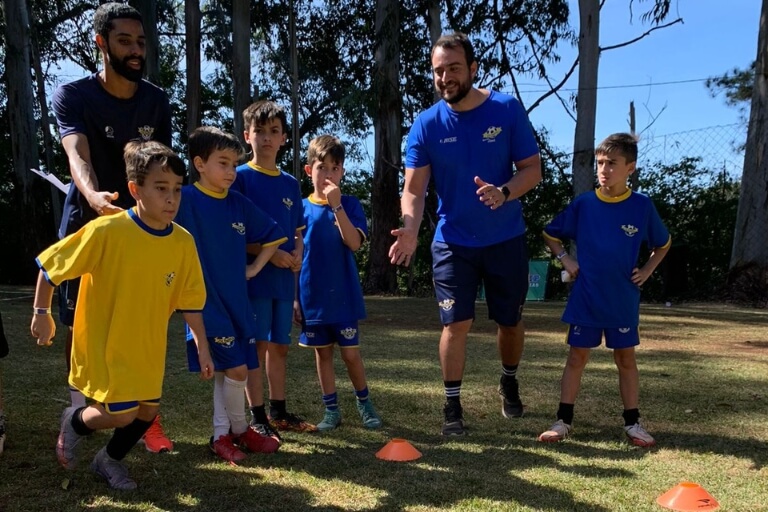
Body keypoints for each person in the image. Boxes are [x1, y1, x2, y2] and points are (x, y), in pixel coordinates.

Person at [30, 141, 213, 490]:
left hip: (147, 346)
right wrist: (42, 312)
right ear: (135, 189)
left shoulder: (183, 242)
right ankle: (76, 421)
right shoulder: (106, 231)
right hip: (106, 343)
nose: (171, 198)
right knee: (123, 412)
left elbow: (191, 300)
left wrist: (202, 346)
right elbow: (51, 266)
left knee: (146, 412)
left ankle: (108, 460)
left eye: (176, 189)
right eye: (161, 189)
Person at [388, 32, 542, 436]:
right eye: (438, 71)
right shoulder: (425, 124)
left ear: (473, 69)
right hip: (452, 241)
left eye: (454, 68)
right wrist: (409, 229)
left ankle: (508, 378)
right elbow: (414, 190)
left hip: (505, 238)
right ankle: (452, 407)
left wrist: (504, 192)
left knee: (509, 322)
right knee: (455, 324)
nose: (445, 77)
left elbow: (532, 170)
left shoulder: (506, 109)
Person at [51, 2, 174, 452]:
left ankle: (140, 409)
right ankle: (79, 407)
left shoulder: (156, 100)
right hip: (90, 222)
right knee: (78, 324)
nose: (136, 50)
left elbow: (161, 165)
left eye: (140, 42)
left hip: (140, 231)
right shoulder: (74, 96)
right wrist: (93, 196)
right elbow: (76, 153)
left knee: (137, 318)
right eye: (124, 41)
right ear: (102, 43)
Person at [538, 133, 671, 447]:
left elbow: (663, 244)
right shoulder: (585, 204)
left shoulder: (641, 206)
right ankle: (563, 421)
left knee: (625, 359)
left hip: (622, 299)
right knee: (576, 358)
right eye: (600, 163)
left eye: (612, 163)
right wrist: (564, 258)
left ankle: (632, 423)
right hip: (586, 297)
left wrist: (648, 270)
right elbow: (549, 233)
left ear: (630, 168)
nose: (604, 169)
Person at [174, 127, 284, 462]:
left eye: (234, 164)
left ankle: (225, 435)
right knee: (236, 370)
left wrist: (253, 268)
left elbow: (274, 235)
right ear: (199, 164)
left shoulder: (238, 203)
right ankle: (236, 430)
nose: (231, 171)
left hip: (239, 302)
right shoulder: (185, 200)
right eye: (223, 163)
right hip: (204, 304)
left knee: (230, 371)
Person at [231, 101, 317, 437]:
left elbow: (297, 233)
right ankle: (257, 417)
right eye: (260, 131)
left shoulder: (290, 184)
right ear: (247, 136)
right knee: (257, 346)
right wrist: (270, 255)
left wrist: (295, 254)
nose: (267, 138)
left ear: (284, 138)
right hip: (255, 277)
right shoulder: (239, 179)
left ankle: (279, 412)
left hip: (283, 280)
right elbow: (233, 235)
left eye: (274, 132)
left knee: (280, 345)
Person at [295, 135, 382, 432]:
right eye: (322, 168)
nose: (328, 175)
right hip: (312, 297)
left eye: (335, 168)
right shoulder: (300, 209)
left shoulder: (350, 205)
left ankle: (364, 403)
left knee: (350, 353)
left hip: (343, 296)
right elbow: (296, 254)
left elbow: (355, 243)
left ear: (342, 172)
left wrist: (337, 207)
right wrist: (295, 298)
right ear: (309, 171)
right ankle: (331, 409)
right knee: (323, 354)